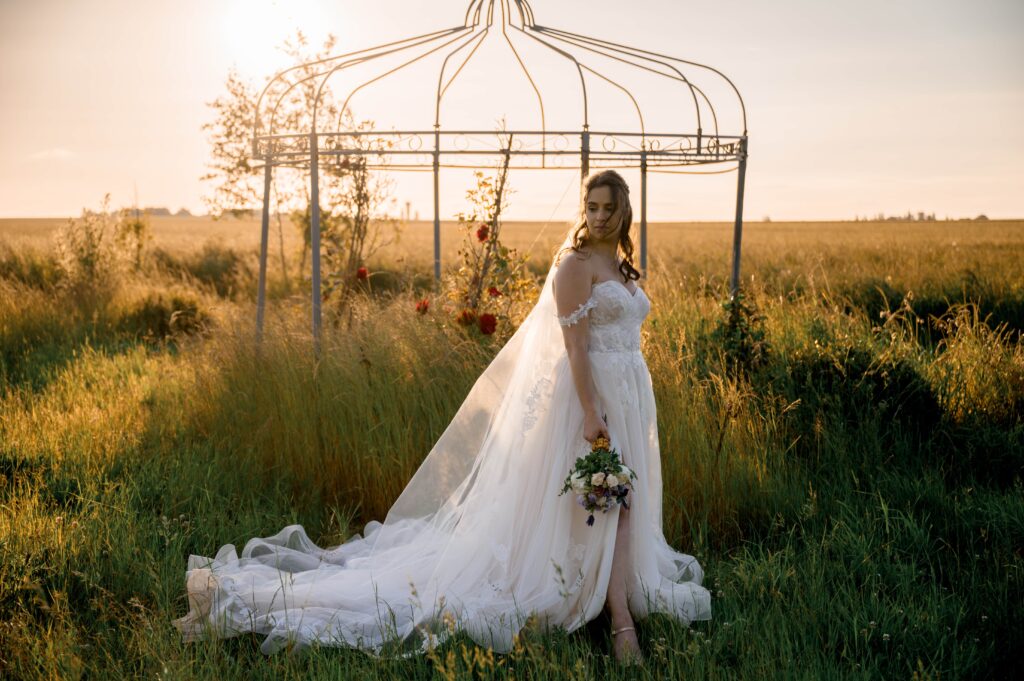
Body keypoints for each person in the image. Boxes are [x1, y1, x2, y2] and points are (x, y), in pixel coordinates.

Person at [173, 169, 711, 665]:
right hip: (590, 397)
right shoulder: (573, 266)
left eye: (607, 208)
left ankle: (605, 594)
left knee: (618, 500)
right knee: (612, 496)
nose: (597, 217)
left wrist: (629, 396)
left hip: (629, 392)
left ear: (624, 212)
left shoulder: (620, 266)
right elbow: (573, 349)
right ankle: (618, 621)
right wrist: (593, 411)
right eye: (590, 206)